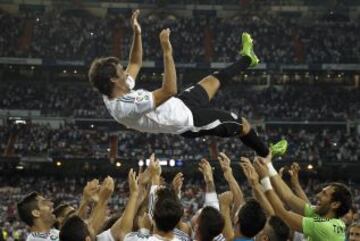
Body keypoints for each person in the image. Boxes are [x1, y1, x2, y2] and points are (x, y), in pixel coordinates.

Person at [88, 10, 287, 158]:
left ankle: (248, 59)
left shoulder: (114, 88)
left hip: (180, 104)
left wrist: (137, 33)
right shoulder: (127, 105)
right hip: (189, 121)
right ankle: (267, 154)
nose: (124, 70)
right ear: (113, 79)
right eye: (120, 70)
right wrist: (167, 51)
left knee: (211, 81)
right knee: (243, 125)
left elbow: (135, 63)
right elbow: (169, 89)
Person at [253, 155, 353, 241]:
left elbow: (283, 215)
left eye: (324, 194)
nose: (317, 195)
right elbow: (289, 197)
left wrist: (265, 179)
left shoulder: (326, 228)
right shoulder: (324, 216)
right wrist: (269, 165)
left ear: (335, 204)